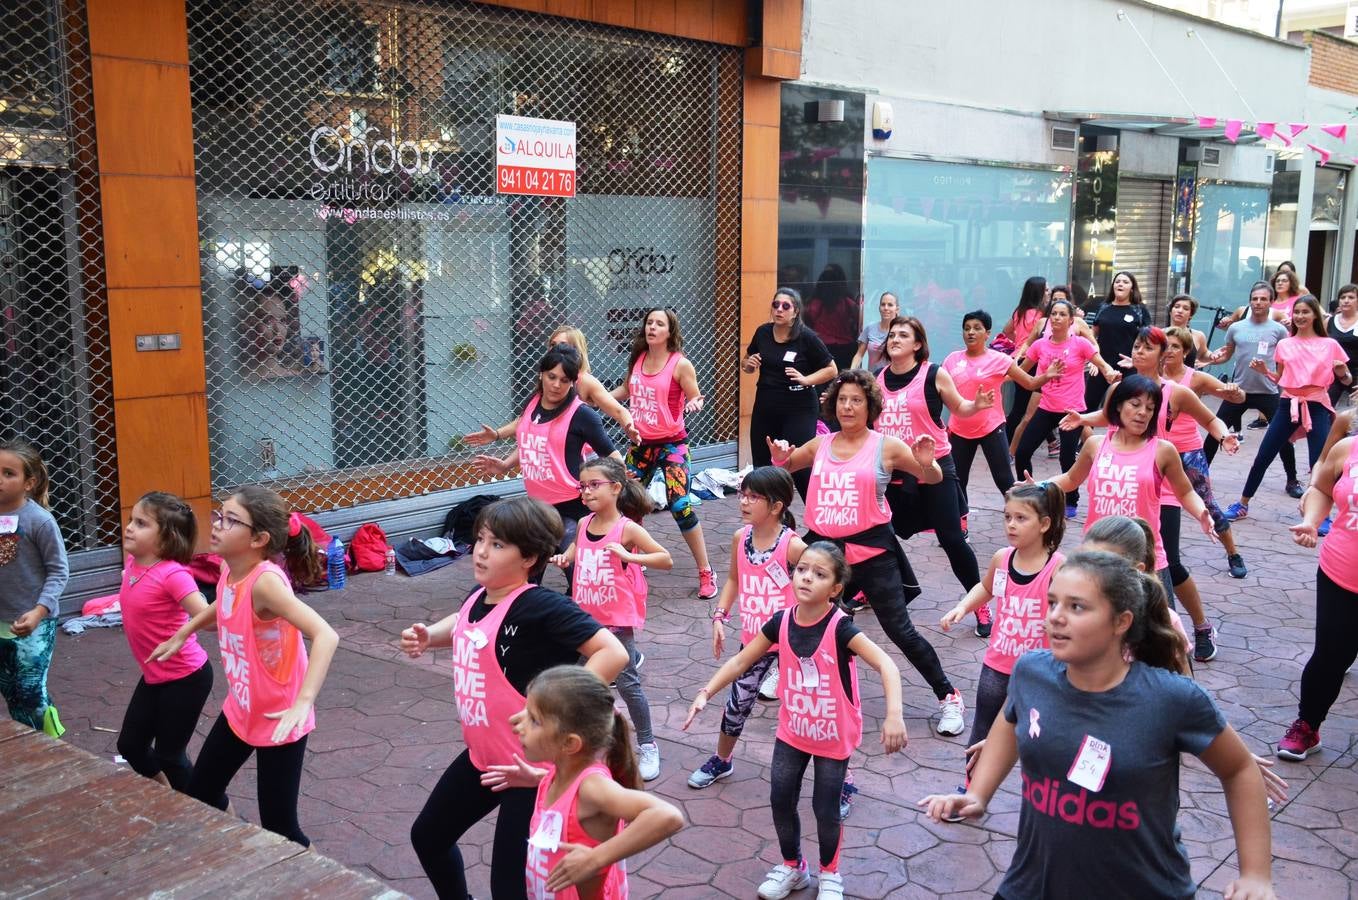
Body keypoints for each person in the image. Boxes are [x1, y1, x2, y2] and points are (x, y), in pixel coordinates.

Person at [920, 551, 1276, 900]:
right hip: (1033, 884)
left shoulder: (1171, 698)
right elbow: (1009, 721)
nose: (1056, 617)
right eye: (1053, 602)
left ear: (1121, 622)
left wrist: (1255, 874)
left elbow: (1240, 768)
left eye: (1077, 607)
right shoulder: (1031, 671)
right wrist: (978, 794)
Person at [402, 497, 628, 899]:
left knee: (509, 889)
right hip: (483, 759)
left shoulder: (541, 605)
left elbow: (614, 652)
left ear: (531, 558)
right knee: (428, 837)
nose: (482, 552)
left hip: (531, 773)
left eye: (498, 544)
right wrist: (430, 635)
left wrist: (557, 703)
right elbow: (465, 620)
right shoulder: (481, 593)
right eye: (481, 540)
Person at [683, 542, 907, 900]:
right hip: (793, 730)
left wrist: (894, 715)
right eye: (802, 569)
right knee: (781, 798)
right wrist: (706, 692)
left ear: (835, 589)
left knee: (825, 807)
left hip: (833, 734)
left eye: (819, 574)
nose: (806, 577)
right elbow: (742, 662)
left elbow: (887, 665)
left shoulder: (841, 628)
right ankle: (793, 867)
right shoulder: (781, 621)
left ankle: (830, 874)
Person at [766, 370, 968, 736]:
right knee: (802, 616)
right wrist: (781, 457)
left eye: (856, 399)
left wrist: (926, 461)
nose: (848, 406)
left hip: (872, 548)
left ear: (870, 405)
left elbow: (935, 477)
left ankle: (949, 695)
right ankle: (788, 672)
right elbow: (790, 464)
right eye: (842, 399)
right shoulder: (820, 444)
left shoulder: (885, 446)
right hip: (824, 550)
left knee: (899, 629)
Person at [150, 486, 339, 846]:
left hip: (279, 718)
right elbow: (221, 604)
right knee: (201, 792)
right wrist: (183, 633)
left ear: (259, 539)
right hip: (241, 707)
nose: (218, 524)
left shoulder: (265, 583)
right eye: (220, 514)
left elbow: (325, 634)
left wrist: (303, 702)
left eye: (231, 520)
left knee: (281, 828)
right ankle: (237, 849)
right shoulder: (228, 568)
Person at [478, 665, 684, 900]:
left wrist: (597, 858)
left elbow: (668, 816)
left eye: (534, 720)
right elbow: (570, 801)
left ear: (570, 744)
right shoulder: (558, 773)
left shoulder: (593, 787)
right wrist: (540, 779)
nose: (519, 724)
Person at [1036, 375, 1220, 614]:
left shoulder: (1163, 451)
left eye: (1150, 408)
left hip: (1144, 559)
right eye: (1135, 404)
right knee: (1098, 629)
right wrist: (1038, 486)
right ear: (1118, 405)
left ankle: (1201, 629)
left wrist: (1201, 513)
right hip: (1097, 556)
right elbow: (1071, 479)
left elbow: (1185, 492)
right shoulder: (1095, 445)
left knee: (1158, 638)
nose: (1143, 412)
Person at [550, 457, 672, 782]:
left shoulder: (626, 528)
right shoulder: (584, 523)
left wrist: (630, 556)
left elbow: (665, 559)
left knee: (629, 684)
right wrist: (565, 558)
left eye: (594, 485)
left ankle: (647, 744)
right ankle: (583, 743)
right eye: (583, 486)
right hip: (586, 623)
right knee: (579, 683)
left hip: (616, 624)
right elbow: (577, 548)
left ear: (616, 488)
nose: (586, 492)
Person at [688, 467, 806, 789]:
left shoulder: (792, 546)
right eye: (743, 494)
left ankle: (843, 778)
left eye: (754, 497)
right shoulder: (741, 538)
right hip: (754, 641)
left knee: (810, 709)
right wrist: (719, 617)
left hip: (793, 643)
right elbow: (733, 580)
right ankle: (721, 760)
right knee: (737, 704)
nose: (743, 501)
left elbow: (818, 581)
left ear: (776, 506)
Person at [875, 316, 989, 626]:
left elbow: (960, 408)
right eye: (891, 335)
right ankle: (869, 587)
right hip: (895, 471)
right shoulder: (876, 379)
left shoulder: (933, 375)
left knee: (952, 539)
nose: (894, 339)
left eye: (903, 335)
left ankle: (978, 603)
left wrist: (975, 405)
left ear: (917, 344)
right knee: (878, 533)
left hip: (935, 467)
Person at [940, 481, 1066, 750]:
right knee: (982, 734)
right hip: (998, 664)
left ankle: (1038, 789)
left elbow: (1067, 607)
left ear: (1044, 524)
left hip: (1040, 670)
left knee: (1040, 740)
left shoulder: (1058, 566)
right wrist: (963, 606)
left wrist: (1057, 618)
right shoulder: (1002, 559)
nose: (1011, 524)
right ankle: (971, 788)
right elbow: (986, 588)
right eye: (1007, 517)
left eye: (1021, 518)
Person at [472, 345, 621, 556]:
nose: (556, 385)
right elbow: (533, 442)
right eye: (552, 377)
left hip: (573, 506)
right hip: (538, 507)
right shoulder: (532, 403)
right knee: (522, 575)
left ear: (573, 383)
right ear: (541, 374)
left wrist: (607, 487)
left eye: (564, 380)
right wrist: (504, 465)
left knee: (577, 573)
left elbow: (613, 456)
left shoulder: (582, 414)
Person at [610, 309, 717, 598]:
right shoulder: (639, 358)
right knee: (627, 501)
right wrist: (600, 398)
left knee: (680, 505)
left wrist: (694, 403)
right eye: (649, 323)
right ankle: (633, 563)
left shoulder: (680, 364)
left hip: (673, 445)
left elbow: (695, 395)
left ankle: (706, 571)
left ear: (670, 331)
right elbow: (626, 388)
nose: (652, 327)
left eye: (660, 324)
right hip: (641, 445)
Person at [115, 492, 214, 791]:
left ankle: (216, 814)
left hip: (186, 677)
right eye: (132, 519)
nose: (130, 527)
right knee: (131, 746)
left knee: (170, 755)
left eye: (142, 523)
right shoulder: (134, 563)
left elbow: (210, 621)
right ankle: (168, 795)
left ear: (167, 537)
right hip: (155, 674)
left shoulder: (174, 575)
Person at [1224, 296, 1353, 521]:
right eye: (1297, 312)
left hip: (1317, 406)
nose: (1300, 316)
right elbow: (1280, 379)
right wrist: (1265, 371)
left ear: (1315, 315)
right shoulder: (1285, 344)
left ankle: (1321, 516)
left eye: (1305, 312)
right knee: (1264, 455)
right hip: (1287, 404)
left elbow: (1346, 380)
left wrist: (1342, 372)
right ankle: (1242, 503)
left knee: (1318, 461)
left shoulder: (1330, 344)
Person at [1283, 421, 1358, 760]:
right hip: (1341, 571)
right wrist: (1312, 521)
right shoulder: (1348, 448)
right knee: (1330, 655)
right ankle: (1307, 726)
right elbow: (1322, 489)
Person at [1013, 298, 1119, 518]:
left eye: (1062, 314)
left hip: (1071, 411)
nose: (1057, 318)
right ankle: (1030, 495)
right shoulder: (1040, 345)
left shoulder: (1079, 344)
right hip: (1046, 408)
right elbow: (1022, 373)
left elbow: (1101, 362)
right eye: (1054, 314)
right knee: (1023, 451)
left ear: (1071, 320)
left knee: (1067, 458)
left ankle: (1071, 500)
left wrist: (1109, 372)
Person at [945, 309, 1063, 501]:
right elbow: (940, 390)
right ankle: (961, 521)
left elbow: (1029, 383)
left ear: (988, 333)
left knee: (1004, 479)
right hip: (959, 429)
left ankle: (1019, 513)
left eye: (976, 328)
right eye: (966, 329)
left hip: (991, 427)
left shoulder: (1000, 359)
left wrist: (1046, 376)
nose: (971, 332)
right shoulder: (952, 360)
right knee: (958, 479)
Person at [1161, 326, 1250, 580]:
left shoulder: (1195, 378)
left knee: (1207, 504)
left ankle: (1233, 553)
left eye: (1175, 346)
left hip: (1187, 451)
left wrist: (1234, 391)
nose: (1169, 351)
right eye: (1165, 345)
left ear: (1186, 351)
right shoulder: (1151, 375)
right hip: (1156, 452)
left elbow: (1237, 398)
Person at [1201, 282, 1301, 496]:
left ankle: (1292, 480)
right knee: (1214, 432)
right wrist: (1208, 361)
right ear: (1249, 301)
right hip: (1238, 392)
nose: (1258, 303)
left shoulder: (1279, 330)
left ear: (1270, 302)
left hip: (1269, 392)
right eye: (1255, 299)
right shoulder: (1236, 328)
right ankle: (1199, 475)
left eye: (1263, 299)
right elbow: (1226, 356)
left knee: (1283, 438)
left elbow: (1285, 361)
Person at [466, 326, 641, 447]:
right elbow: (527, 418)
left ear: (576, 350)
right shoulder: (547, 378)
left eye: (562, 345)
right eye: (553, 345)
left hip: (583, 459)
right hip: (552, 455)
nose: (556, 349)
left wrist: (629, 426)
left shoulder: (584, 380)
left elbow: (618, 411)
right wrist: (497, 434)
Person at [0, 440, 68, 737]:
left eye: (8, 473)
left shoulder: (40, 521)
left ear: (29, 482)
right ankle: (31, 741)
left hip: (35, 621)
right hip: (2, 620)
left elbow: (59, 571)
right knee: (11, 691)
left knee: (29, 690)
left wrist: (40, 611)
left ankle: (53, 743)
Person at [743, 288, 839, 500]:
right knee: (762, 465)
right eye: (776, 305)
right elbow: (747, 362)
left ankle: (816, 522)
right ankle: (768, 518)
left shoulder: (806, 337)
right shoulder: (763, 333)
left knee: (798, 466)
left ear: (795, 312)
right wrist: (748, 365)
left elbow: (831, 369)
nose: (779, 310)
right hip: (766, 407)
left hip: (799, 409)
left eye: (786, 306)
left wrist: (806, 380)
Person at [1086, 271, 1152, 410]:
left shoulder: (1140, 310)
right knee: (1088, 407)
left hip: (1128, 366)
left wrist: (1138, 362)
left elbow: (1148, 339)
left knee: (1125, 408)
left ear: (1132, 288)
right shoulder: (1104, 307)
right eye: (1117, 281)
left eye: (1125, 282)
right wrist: (1093, 358)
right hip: (1102, 365)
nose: (1120, 284)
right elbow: (1092, 334)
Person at [804, 263, 861, 373]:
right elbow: (859, 320)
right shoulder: (848, 303)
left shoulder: (813, 304)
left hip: (821, 346)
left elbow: (807, 323)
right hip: (845, 348)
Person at [1327, 284, 1358, 409]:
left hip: (1356, 374)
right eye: (1342, 297)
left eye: (1351, 297)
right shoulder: (1328, 321)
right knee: (1325, 409)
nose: (1346, 300)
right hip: (1333, 373)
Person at [850, 291, 898, 372]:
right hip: (873, 380)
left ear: (897, 309)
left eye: (890, 305)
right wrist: (850, 373)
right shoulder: (870, 328)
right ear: (879, 308)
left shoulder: (901, 331)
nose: (886, 308)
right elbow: (859, 355)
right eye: (883, 304)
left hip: (893, 380)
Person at [1165, 294, 1210, 365]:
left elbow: (1203, 354)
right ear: (1170, 311)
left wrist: (1212, 356)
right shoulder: (1160, 334)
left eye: (1185, 308)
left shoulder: (1198, 336)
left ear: (1191, 315)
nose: (1180, 311)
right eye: (1177, 307)